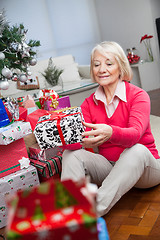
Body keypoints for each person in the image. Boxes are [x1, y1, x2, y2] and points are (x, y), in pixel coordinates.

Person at [61, 41, 160, 217]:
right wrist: (65, 133)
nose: (101, 69)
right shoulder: (89, 103)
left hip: (147, 169)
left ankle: (89, 213)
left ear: (120, 66)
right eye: (96, 64)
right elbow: (77, 143)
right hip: (111, 168)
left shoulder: (138, 96)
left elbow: (135, 134)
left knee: (136, 150)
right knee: (70, 155)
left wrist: (110, 133)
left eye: (109, 63)